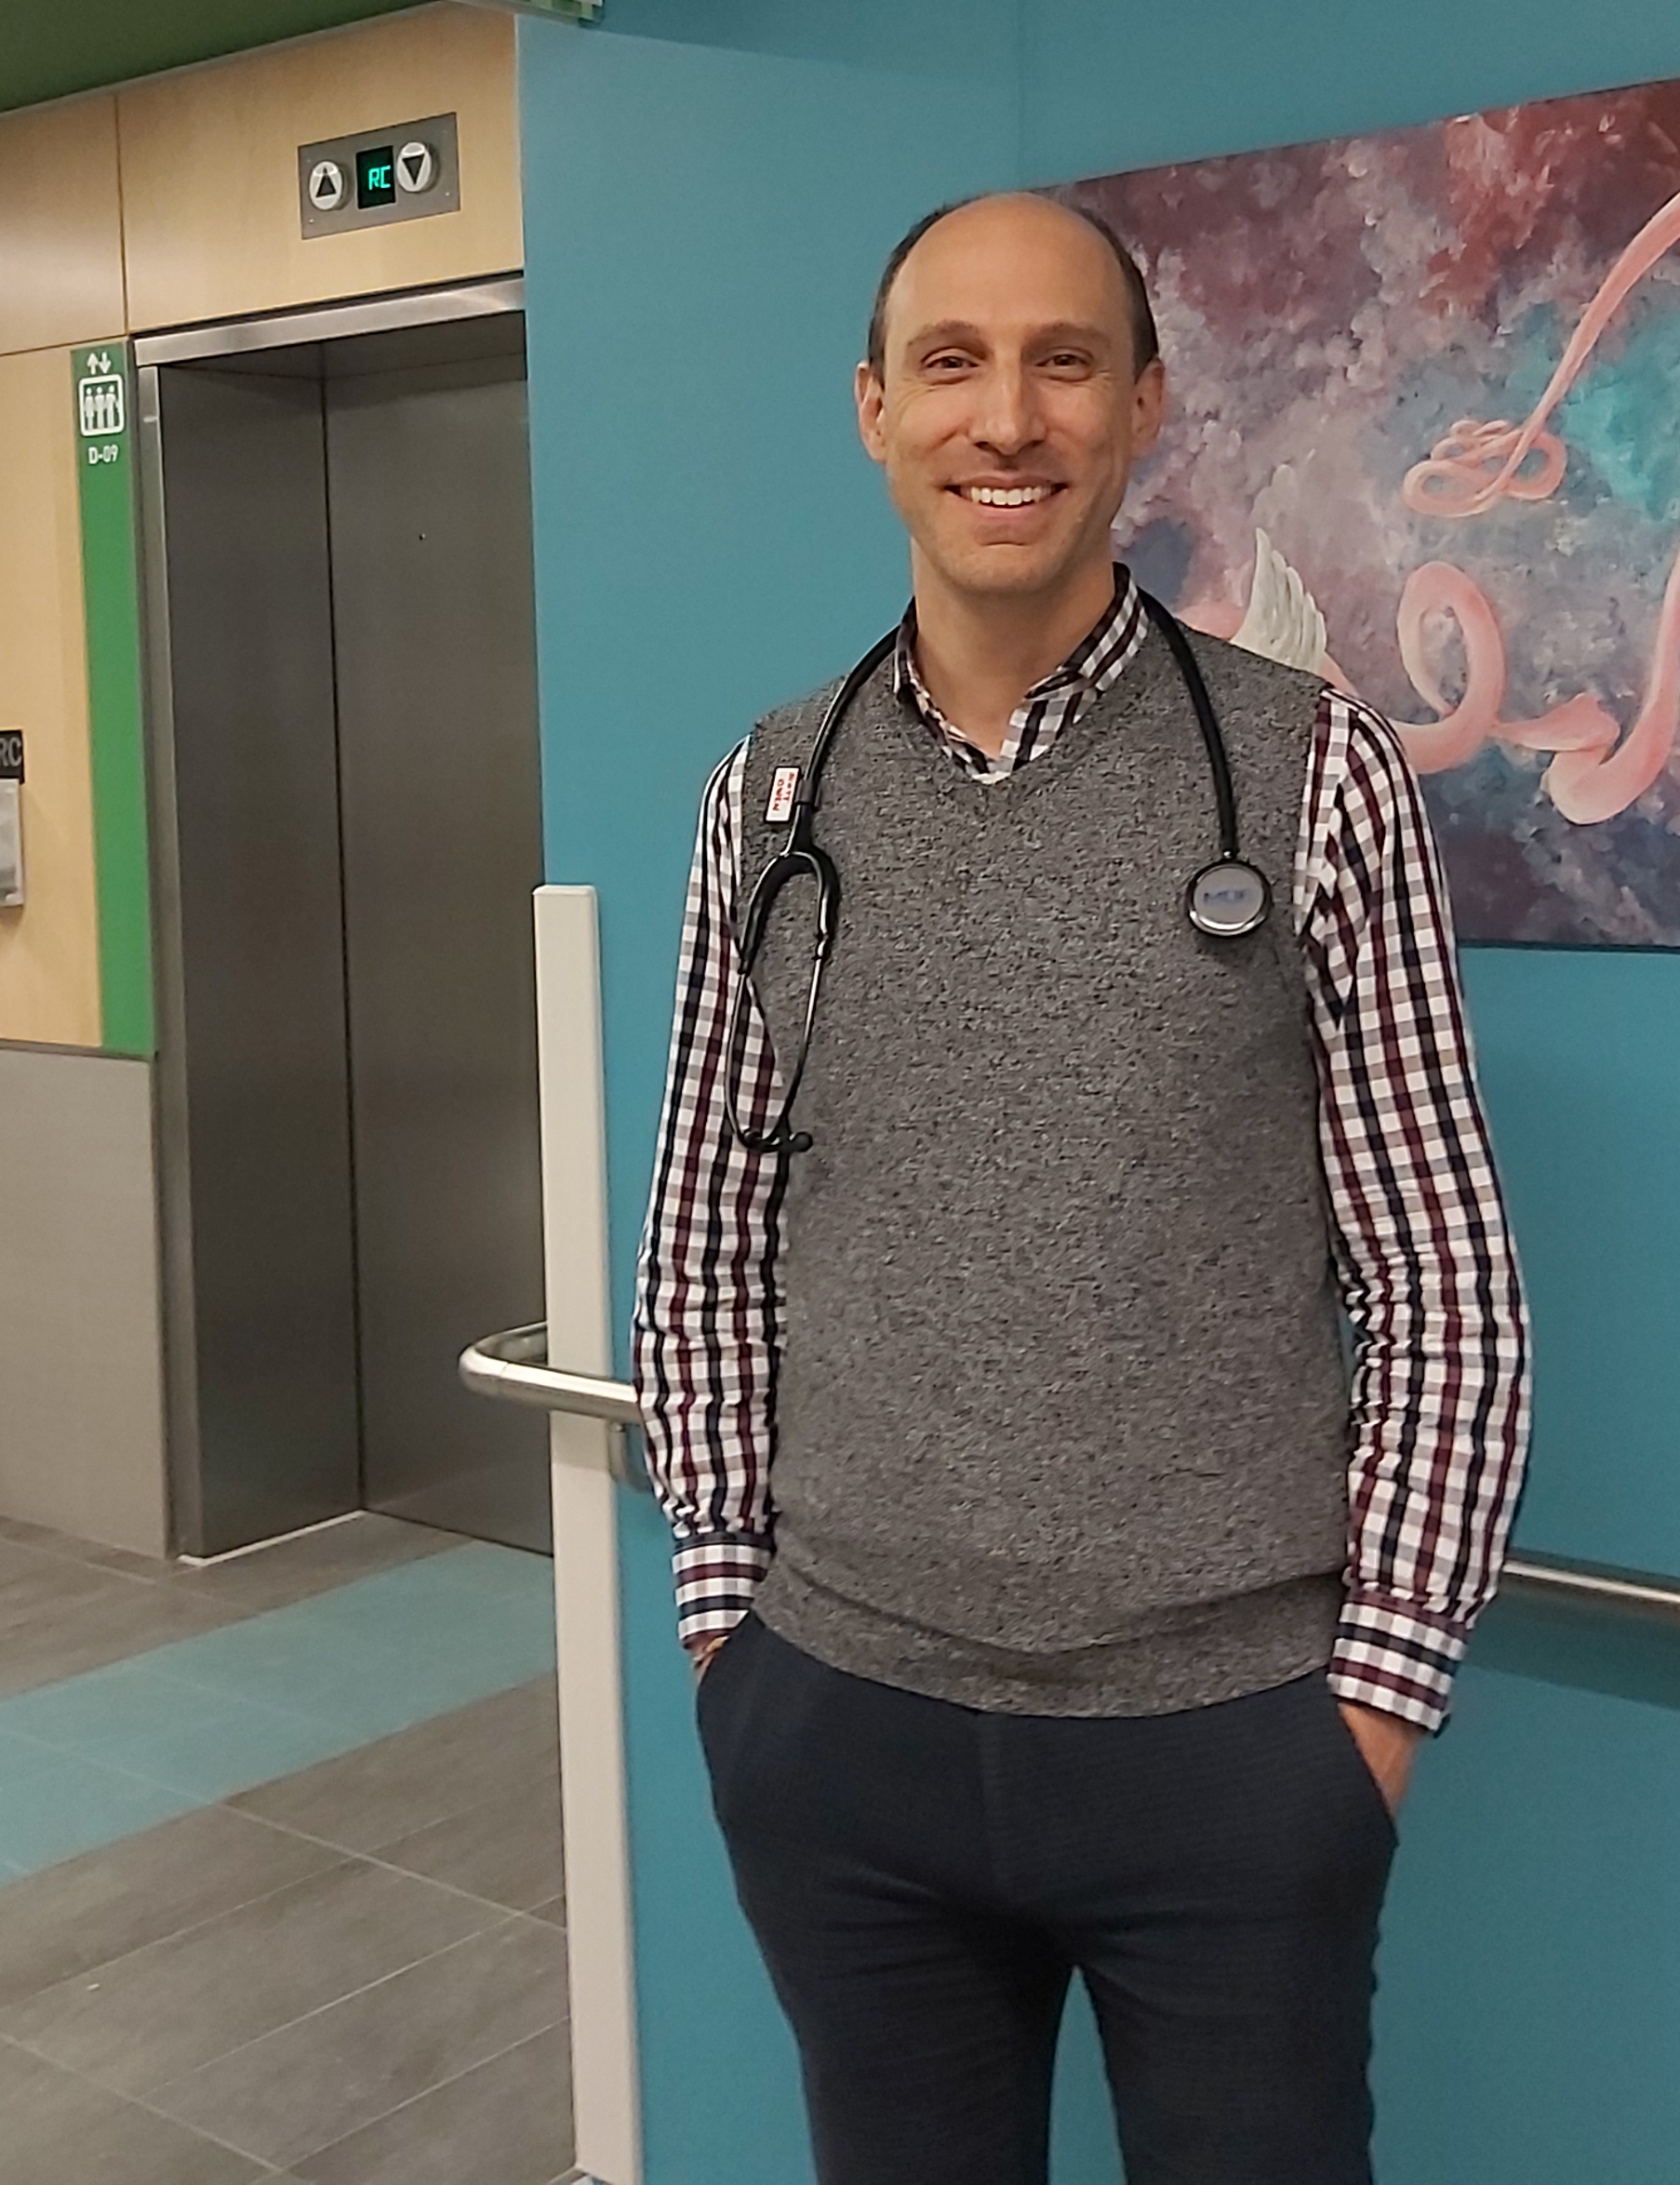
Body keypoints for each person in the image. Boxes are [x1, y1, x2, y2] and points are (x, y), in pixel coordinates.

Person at [632, 192, 1532, 2185]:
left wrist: (1362, 1725)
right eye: (950, 363)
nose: (1005, 419)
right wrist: (729, 1639)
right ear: (874, 412)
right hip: (842, 1736)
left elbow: (1447, 1282)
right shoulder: (769, 798)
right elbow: (702, 1244)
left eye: (1062, 363)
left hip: (1226, 1759)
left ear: (1144, 408)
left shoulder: (1308, 776)